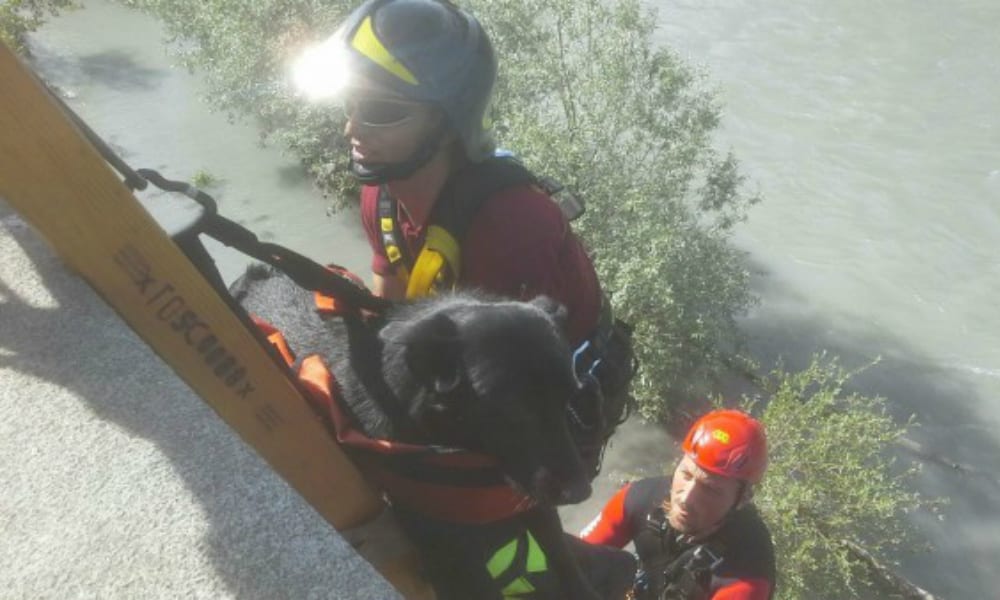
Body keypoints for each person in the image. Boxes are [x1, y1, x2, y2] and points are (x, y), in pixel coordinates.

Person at [298, 0, 636, 477]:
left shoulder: (511, 228)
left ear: (446, 124)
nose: (351, 127)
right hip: (479, 352)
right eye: (349, 104)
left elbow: (516, 387)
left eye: (379, 110)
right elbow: (390, 314)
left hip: (552, 392)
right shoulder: (383, 196)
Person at [580, 409, 776, 600]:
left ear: (742, 499)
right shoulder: (640, 498)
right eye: (686, 475)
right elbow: (566, 558)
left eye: (710, 489)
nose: (686, 498)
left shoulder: (747, 575)